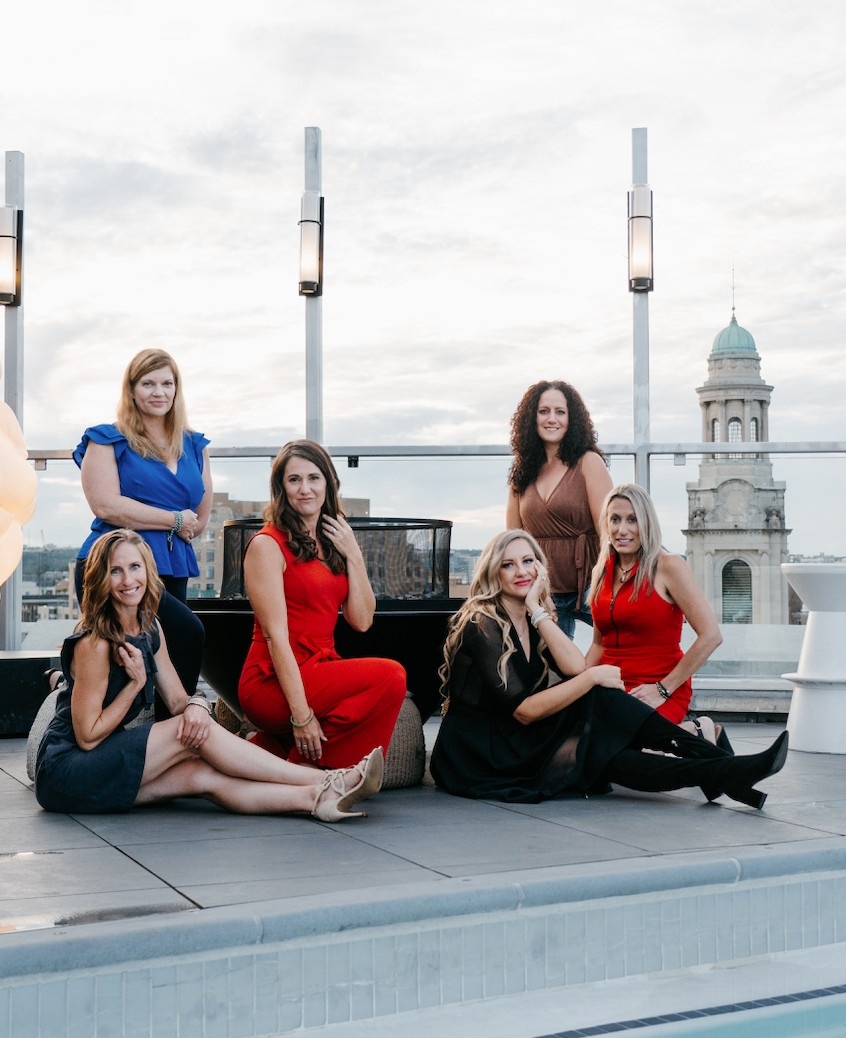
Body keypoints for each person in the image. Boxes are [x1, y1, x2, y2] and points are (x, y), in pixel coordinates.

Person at [34, 529, 383, 819]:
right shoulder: (95, 644)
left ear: (148, 571)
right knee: (186, 733)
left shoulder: (149, 627)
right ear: (101, 578)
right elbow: (87, 737)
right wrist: (135, 685)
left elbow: (177, 700)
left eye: (135, 567)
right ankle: (328, 779)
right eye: (115, 571)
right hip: (68, 770)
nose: (128, 580)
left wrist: (199, 705)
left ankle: (316, 800)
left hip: (103, 762)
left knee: (204, 775)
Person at [429, 530, 787, 808]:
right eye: (508, 565)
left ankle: (725, 771)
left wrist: (539, 612)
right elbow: (524, 710)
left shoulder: (530, 616)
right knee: (597, 708)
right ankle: (727, 768)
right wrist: (591, 677)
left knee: (602, 745)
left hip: (517, 737)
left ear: (540, 566)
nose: (521, 571)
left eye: (528, 561)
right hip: (482, 752)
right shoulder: (482, 623)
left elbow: (574, 667)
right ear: (493, 571)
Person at [238, 440, 407, 768]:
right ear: (281, 488)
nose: (305, 489)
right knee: (391, 676)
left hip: (318, 668)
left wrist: (354, 554)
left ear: (329, 483)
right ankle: (316, 772)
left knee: (376, 687)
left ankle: (271, 755)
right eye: (294, 479)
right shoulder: (267, 545)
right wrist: (302, 717)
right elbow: (275, 637)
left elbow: (362, 621)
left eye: (314, 478)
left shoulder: (333, 542)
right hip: (272, 681)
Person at [73, 348, 211, 704]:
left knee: (166, 657)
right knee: (184, 634)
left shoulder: (194, 445)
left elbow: (199, 516)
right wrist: (173, 519)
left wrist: (186, 523)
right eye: (148, 383)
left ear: (177, 389)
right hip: (115, 566)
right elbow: (106, 504)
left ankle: (174, 727)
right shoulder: (107, 439)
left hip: (172, 562)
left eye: (167, 383)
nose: (158, 392)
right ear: (131, 390)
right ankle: (180, 722)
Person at [586, 484, 725, 740]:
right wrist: (577, 686)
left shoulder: (668, 566)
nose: (622, 530)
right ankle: (690, 738)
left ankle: (696, 730)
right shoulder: (602, 571)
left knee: (631, 748)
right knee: (585, 746)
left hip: (658, 687)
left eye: (632, 520)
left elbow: (711, 636)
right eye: (615, 519)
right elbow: (598, 644)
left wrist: (662, 689)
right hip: (611, 687)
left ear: (647, 523)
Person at [506, 380, 613, 639]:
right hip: (544, 591)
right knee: (553, 663)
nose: (551, 419)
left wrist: (610, 584)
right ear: (531, 418)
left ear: (571, 419)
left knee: (622, 646)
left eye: (560, 412)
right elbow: (513, 539)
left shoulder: (589, 462)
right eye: (543, 411)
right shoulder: (522, 471)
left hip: (591, 587)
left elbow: (609, 529)